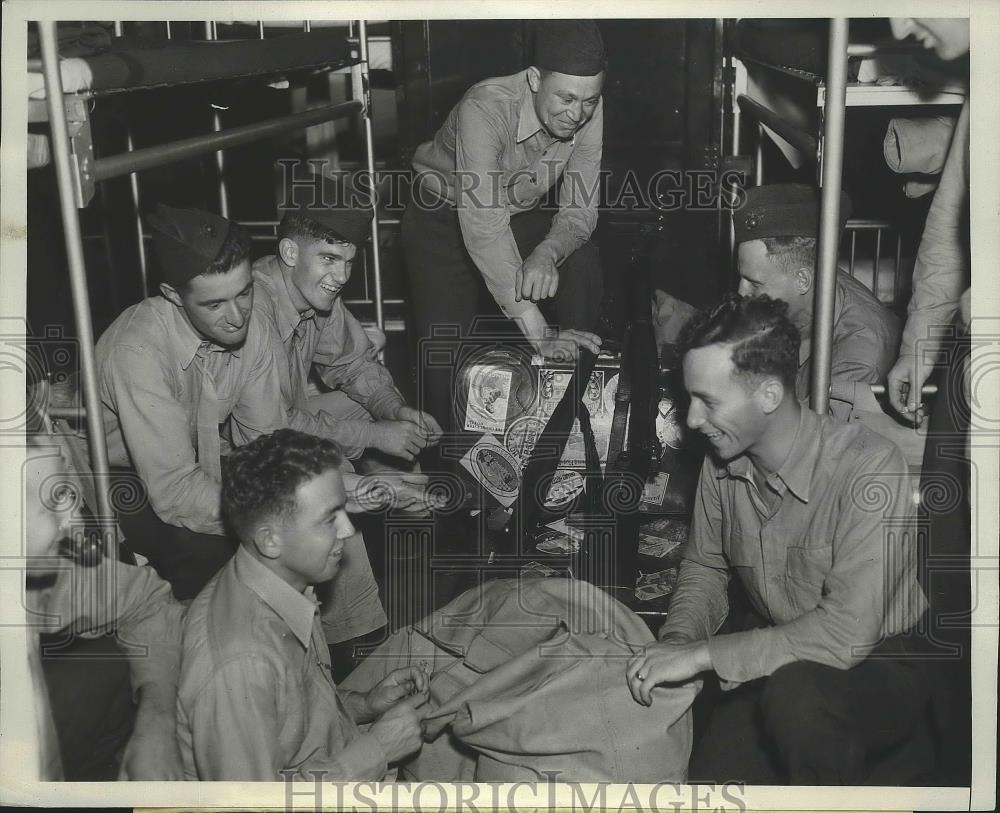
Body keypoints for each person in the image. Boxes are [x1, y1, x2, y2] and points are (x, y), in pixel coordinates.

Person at [626, 295, 929, 784]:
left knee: (799, 701)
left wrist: (702, 656)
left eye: (709, 401)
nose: (692, 420)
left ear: (769, 396)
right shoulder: (719, 464)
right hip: (775, 652)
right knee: (713, 783)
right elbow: (705, 567)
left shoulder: (869, 467)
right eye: (690, 399)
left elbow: (846, 635)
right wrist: (678, 642)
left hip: (878, 663)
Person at [177, 429, 429, 781]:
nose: (346, 530)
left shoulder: (283, 582)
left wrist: (363, 705)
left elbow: (289, 719)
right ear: (270, 540)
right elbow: (248, 807)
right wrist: (378, 749)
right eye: (329, 519)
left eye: (344, 510)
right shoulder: (239, 663)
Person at [402, 19, 606, 430]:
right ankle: (446, 480)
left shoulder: (588, 107)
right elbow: (484, 228)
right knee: (445, 363)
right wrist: (539, 331)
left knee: (582, 260)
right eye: (566, 98)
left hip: (515, 211)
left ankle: (574, 426)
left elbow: (580, 210)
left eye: (588, 101)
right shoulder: (485, 106)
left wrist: (546, 254)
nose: (577, 114)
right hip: (440, 215)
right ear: (534, 79)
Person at [94, 204, 288, 600]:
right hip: (113, 476)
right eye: (214, 305)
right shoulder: (137, 349)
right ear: (173, 296)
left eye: (244, 292)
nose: (237, 316)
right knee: (212, 552)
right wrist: (266, 515)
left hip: (196, 459)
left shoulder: (253, 324)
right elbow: (175, 492)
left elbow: (267, 446)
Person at [885, 17, 971, 786]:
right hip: (976, 357)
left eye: (911, 2)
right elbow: (950, 227)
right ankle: (950, 770)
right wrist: (919, 344)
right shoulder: (990, 86)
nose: (897, 26)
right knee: (943, 562)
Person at [254, 166, 442, 467]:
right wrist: (375, 436)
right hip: (240, 452)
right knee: (338, 462)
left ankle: (411, 502)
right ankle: (384, 498)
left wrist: (392, 410)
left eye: (349, 263)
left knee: (376, 411)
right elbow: (270, 428)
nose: (341, 277)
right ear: (290, 252)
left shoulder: (314, 292)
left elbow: (353, 365)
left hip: (284, 422)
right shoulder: (252, 311)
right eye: (329, 259)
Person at [22, 435, 185, 780]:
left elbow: (147, 598)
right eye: (51, 503)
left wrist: (157, 721)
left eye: (65, 493)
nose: (75, 523)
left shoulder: (53, 576)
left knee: (105, 668)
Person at [733, 184, 901, 420]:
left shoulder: (858, 357)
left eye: (755, 283)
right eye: (741, 277)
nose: (742, 292)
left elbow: (817, 448)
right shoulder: (812, 278)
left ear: (802, 280)